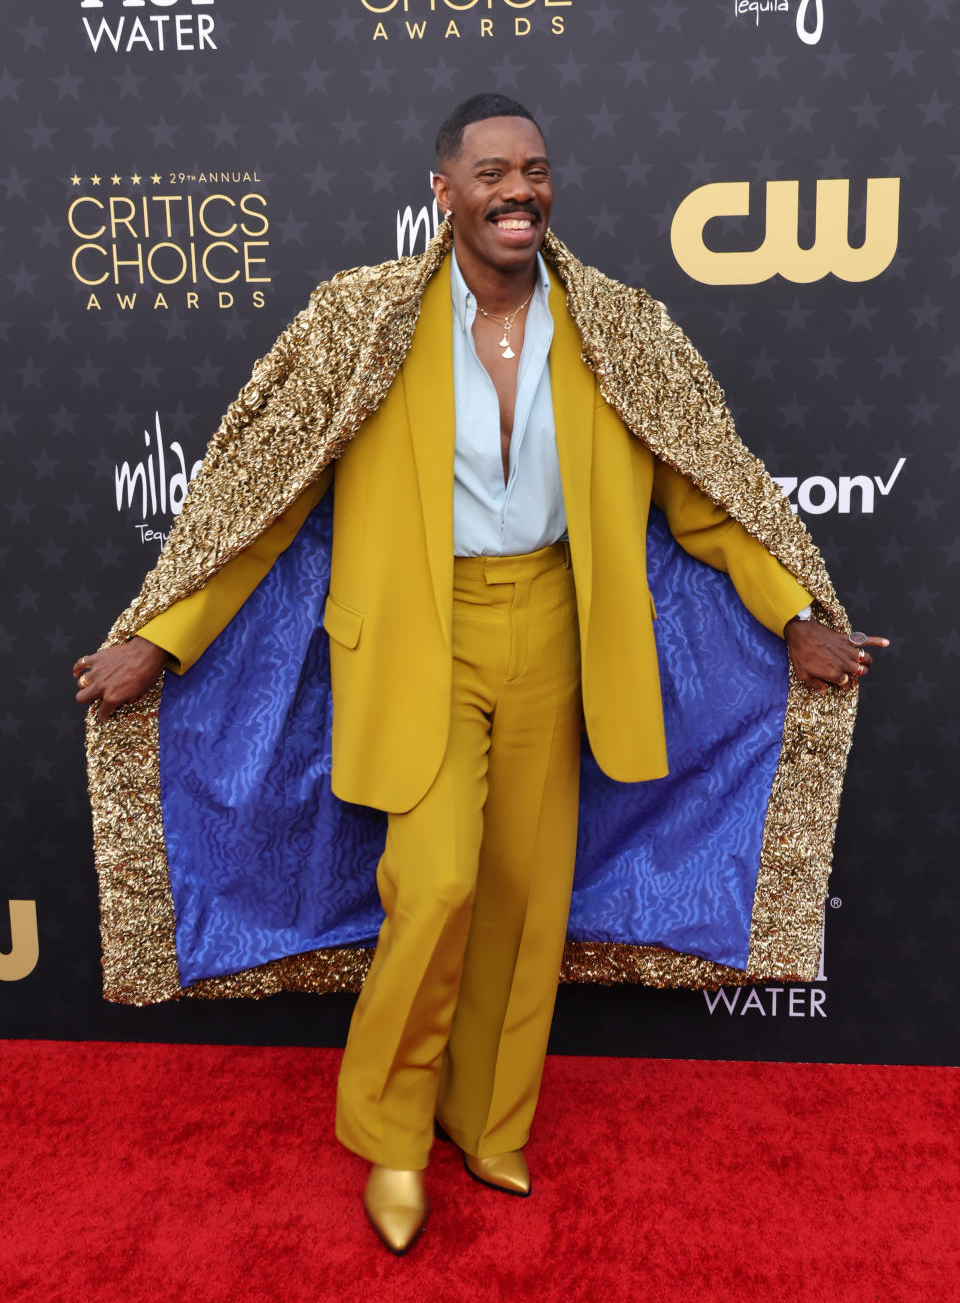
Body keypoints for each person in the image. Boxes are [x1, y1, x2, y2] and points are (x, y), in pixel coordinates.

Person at [74, 93, 887, 1255]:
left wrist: (796, 611)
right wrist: (162, 634)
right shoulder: (362, 325)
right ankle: (394, 1138)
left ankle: (489, 1121)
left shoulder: (615, 326)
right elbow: (265, 497)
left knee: (523, 896)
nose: (521, 190)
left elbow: (702, 492)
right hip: (418, 634)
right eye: (494, 170)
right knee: (438, 885)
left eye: (538, 170)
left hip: (556, 626)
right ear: (443, 191)